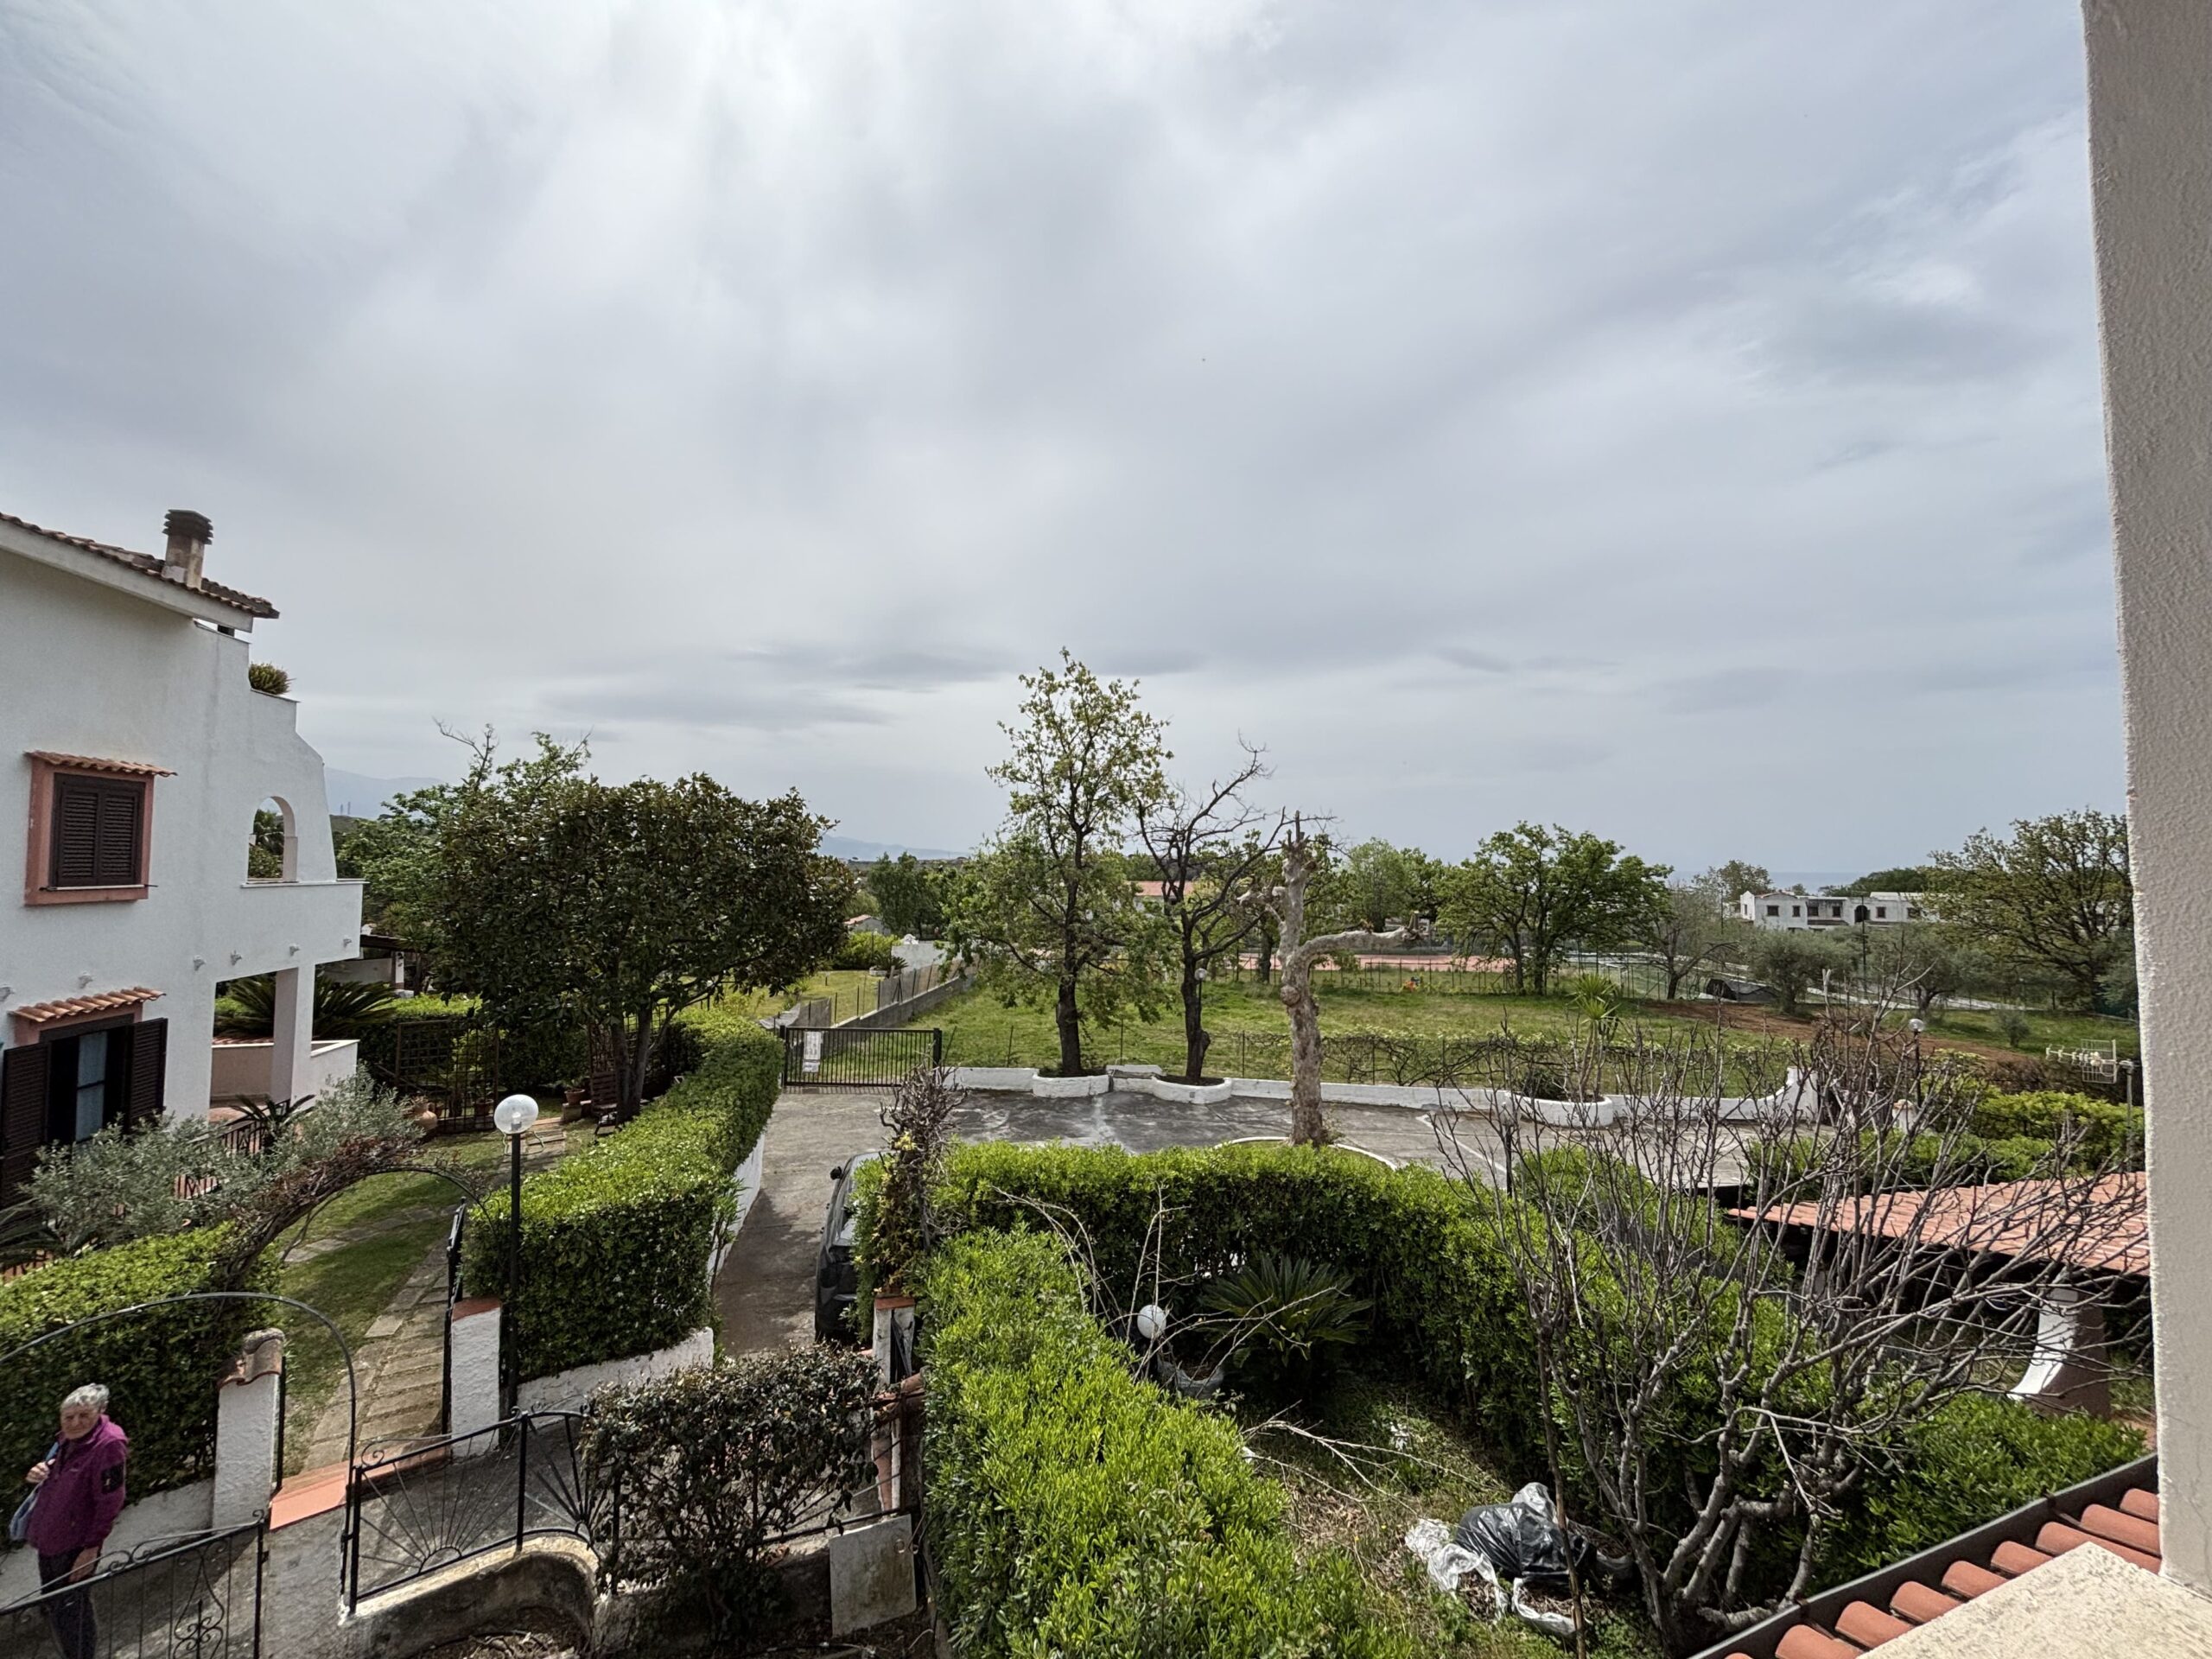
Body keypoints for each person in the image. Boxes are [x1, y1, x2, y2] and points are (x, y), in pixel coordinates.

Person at [21, 1384, 127, 1659]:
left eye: (84, 1415)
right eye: (69, 1417)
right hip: (50, 1541)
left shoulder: (109, 1444)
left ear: (100, 1412)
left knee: (73, 1614)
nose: (76, 1422)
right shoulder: (68, 1439)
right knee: (57, 1608)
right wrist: (38, 1471)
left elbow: (110, 1500)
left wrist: (91, 1549)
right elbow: (57, 1475)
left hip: (75, 1545)